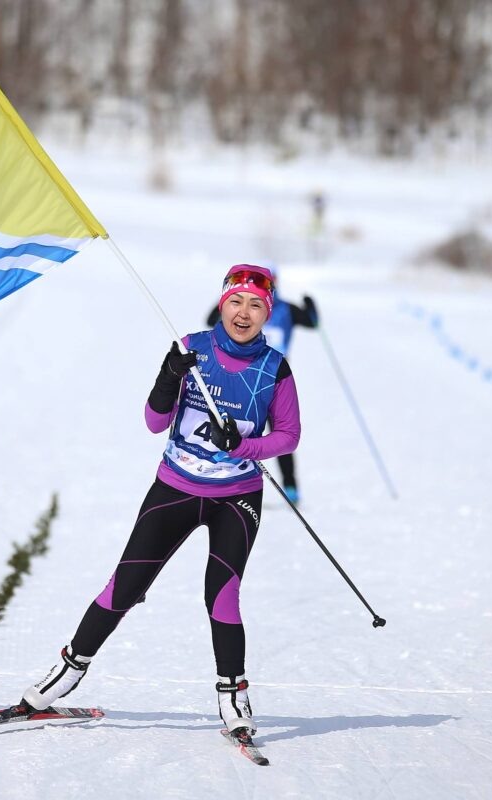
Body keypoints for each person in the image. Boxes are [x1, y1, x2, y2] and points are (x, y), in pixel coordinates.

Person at [21, 264, 301, 737]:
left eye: (256, 305)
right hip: (176, 487)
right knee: (126, 583)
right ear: (223, 304)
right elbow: (154, 422)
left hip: (237, 496)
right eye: (237, 302)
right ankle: (68, 671)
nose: (244, 313)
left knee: (223, 593)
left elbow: (289, 436)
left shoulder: (274, 367)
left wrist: (244, 447)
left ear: (266, 313)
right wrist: (170, 377)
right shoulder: (190, 347)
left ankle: (234, 696)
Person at [206, 269, 317, 501]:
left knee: (279, 434)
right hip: (242, 378)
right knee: (233, 427)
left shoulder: (286, 308)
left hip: (273, 379)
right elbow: (210, 320)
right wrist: (227, 299)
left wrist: (310, 305)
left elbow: (312, 322)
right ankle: (218, 477)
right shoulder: (243, 309)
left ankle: (290, 487)